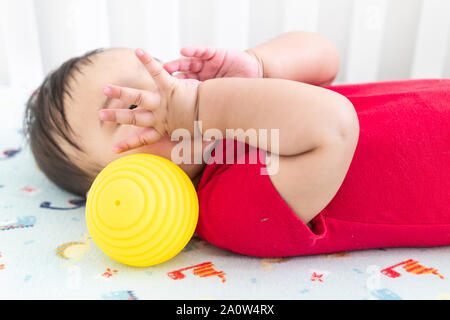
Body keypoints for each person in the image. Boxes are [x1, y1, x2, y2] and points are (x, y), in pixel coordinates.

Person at [24, 31, 450, 257]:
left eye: (155, 74)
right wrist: (198, 107)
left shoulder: (232, 112)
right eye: (133, 106)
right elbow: (333, 127)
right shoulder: (227, 208)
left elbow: (324, 56)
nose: (166, 93)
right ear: (124, 183)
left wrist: (261, 65)